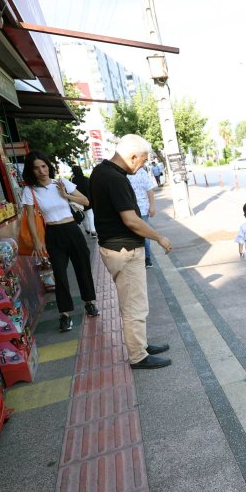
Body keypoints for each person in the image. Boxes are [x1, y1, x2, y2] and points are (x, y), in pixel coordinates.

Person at [89, 134, 172, 370]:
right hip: (123, 249)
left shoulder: (101, 171)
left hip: (116, 247)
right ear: (132, 156)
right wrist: (159, 237)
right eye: (143, 160)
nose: (143, 165)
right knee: (134, 306)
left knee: (135, 303)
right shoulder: (115, 178)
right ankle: (138, 355)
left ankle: (141, 344)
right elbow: (131, 220)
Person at [22, 151, 99, 332]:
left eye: (44, 166)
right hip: (53, 233)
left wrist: (66, 196)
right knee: (60, 275)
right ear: (31, 171)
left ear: (48, 166)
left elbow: (86, 200)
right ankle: (64, 314)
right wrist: (36, 241)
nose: (41, 171)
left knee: (83, 268)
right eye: (36, 168)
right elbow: (31, 218)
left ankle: (89, 302)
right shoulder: (29, 191)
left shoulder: (61, 183)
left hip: (72, 229)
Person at [128, 164, 157, 267]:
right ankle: (146, 259)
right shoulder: (142, 172)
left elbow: (150, 190)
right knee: (144, 233)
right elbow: (150, 190)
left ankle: (145, 258)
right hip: (138, 208)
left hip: (134, 209)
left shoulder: (126, 173)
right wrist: (152, 206)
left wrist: (152, 206)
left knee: (138, 233)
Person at [71, 165, 96, 237]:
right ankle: (93, 231)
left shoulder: (73, 180)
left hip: (78, 201)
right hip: (88, 200)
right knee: (91, 216)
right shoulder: (86, 179)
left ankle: (87, 229)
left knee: (84, 216)